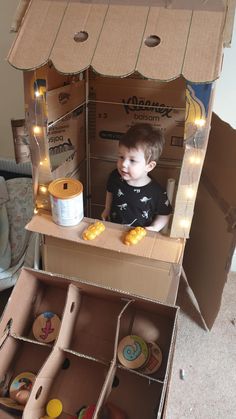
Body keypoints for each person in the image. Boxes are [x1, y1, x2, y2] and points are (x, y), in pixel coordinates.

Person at [101, 123, 172, 232]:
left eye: (132, 160)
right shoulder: (115, 176)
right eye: (121, 157)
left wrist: (154, 228)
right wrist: (107, 208)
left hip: (138, 237)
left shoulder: (156, 192)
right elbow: (110, 191)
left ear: (149, 166)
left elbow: (165, 214)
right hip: (112, 230)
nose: (123, 164)